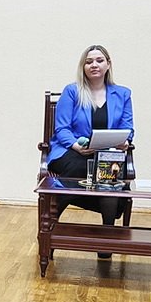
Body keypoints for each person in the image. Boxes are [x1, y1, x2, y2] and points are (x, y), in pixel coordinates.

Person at [46, 44, 134, 230]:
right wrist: (76, 146)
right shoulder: (72, 91)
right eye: (89, 62)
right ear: (83, 67)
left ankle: (107, 233)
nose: (94, 65)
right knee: (84, 166)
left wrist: (125, 141)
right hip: (70, 151)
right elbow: (62, 128)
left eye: (99, 60)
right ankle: (51, 222)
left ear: (108, 64)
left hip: (107, 153)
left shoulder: (123, 94)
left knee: (108, 173)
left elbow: (127, 128)